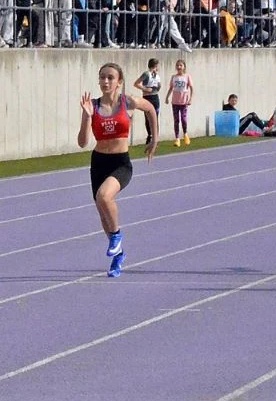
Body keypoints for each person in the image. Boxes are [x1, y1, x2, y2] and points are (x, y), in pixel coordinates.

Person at [77, 62, 158, 278]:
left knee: (105, 196)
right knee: (103, 214)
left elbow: (150, 109)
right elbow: (82, 142)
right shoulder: (92, 105)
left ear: (119, 81)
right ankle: (118, 255)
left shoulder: (128, 102)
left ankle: (116, 237)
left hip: (121, 163)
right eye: (102, 77)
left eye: (110, 78)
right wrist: (86, 117)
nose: (105, 81)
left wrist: (153, 139)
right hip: (99, 162)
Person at [168, 58, 194, 147]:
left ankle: (185, 134)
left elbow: (191, 88)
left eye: (181, 65)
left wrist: (190, 99)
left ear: (184, 67)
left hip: (184, 102)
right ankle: (177, 139)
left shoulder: (187, 77)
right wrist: (167, 97)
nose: (179, 67)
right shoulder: (174, 77)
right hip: (175, 102)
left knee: (183, 119)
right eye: (177, 65)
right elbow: (171, 88)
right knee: (176, 120)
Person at [136, 58, 162, 146]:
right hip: (147, 98)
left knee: (155, 118)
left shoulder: (157, 75)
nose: (158, 67)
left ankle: (155, 139)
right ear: (155, 65)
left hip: (155, 97)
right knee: (148, 118)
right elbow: (136, 83)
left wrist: (158, 87)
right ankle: (150, 136)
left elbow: (158, 86)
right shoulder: (146, 74)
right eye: (158, 66)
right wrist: (145, 89)